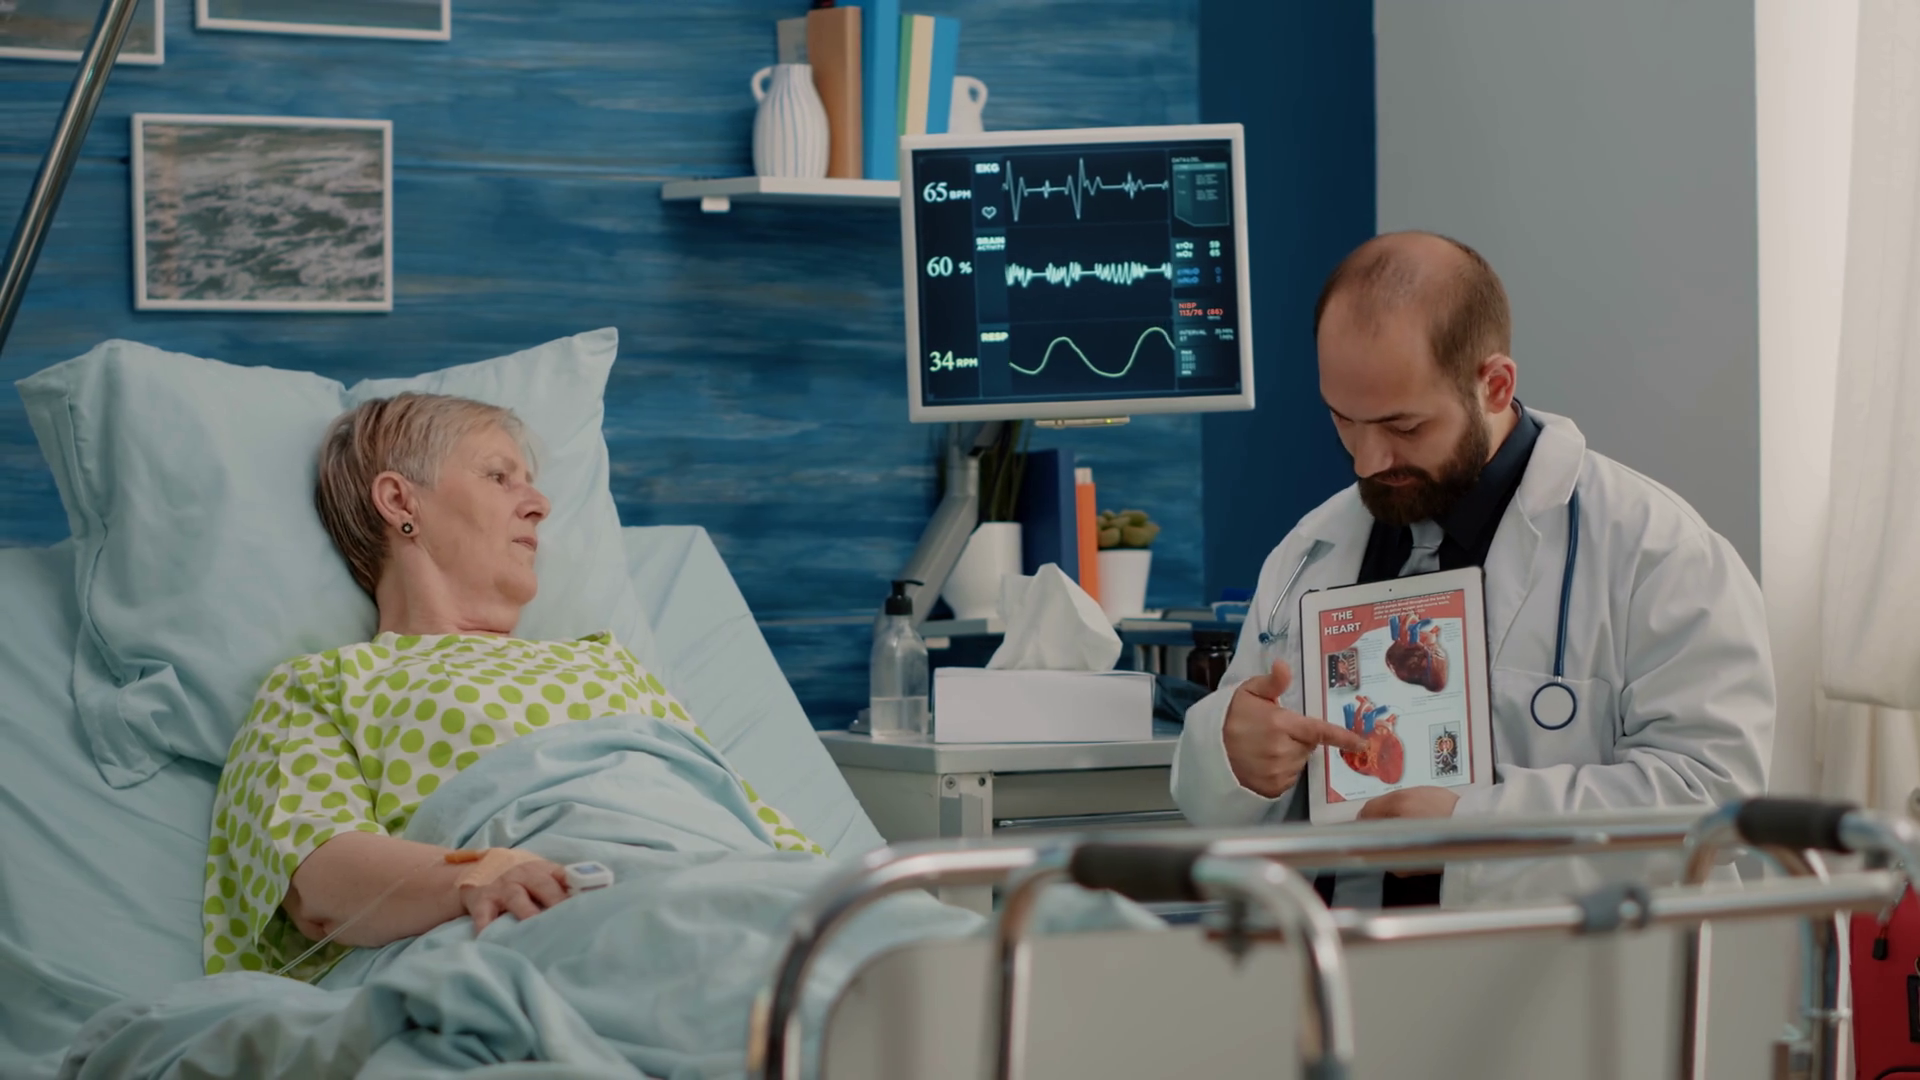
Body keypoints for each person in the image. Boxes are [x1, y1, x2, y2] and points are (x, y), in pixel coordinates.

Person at [1171, 232, 1774, 904]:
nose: (1367, 461)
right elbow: (1218, 794)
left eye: (1404, 428)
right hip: (1340, 956)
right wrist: (1233, 756)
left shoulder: (1658, 553)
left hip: (1546, 963)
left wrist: (1476, 826)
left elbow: (1712, 796)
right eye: (1344, 420)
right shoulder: (1311, 550)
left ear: (1495, 385)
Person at [200, 393, 823, 978]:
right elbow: (320, 879)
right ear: (399, 501)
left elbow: (759, 831)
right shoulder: (323, 685)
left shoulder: (610, 665)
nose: (540, 505)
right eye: (499, 477)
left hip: (736, 896)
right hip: (546, 925)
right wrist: (483, 874)